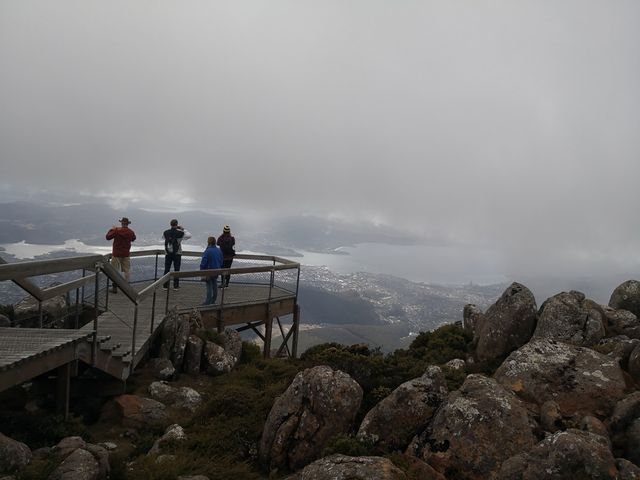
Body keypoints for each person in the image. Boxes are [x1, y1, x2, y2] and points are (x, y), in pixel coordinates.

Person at [105, 217, 136, 293]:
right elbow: (133, 238)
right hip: (126, 254)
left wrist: (112, 229)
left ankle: (114, 287)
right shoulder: (130, 232)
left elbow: (108, 237)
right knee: (126, 270)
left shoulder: (117, 230)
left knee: (115, 271)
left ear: (121, 223)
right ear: (128, 224)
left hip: (116, 254)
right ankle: (127, 288)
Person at [162, 219, 191, 289]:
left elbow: (163, 238)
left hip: (168, 253)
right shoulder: (180, 233)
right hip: (177, 253)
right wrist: (183, 229)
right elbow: (189, 236)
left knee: (167, 269)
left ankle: (165, 286)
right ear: (177, 224)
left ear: (170, 224)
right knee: (177, 269)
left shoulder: (166, 232)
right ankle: (176, 286)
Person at [200, 236, 223, 305]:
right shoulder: (219, 250)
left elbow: (204, 261)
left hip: (209, 270)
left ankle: (208, 301)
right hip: (217, 270)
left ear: (208, 242)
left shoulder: (208, 251)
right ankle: (213, 300)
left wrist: (202, 270)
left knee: (209, 286)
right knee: (215, 285)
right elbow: (221, 260)